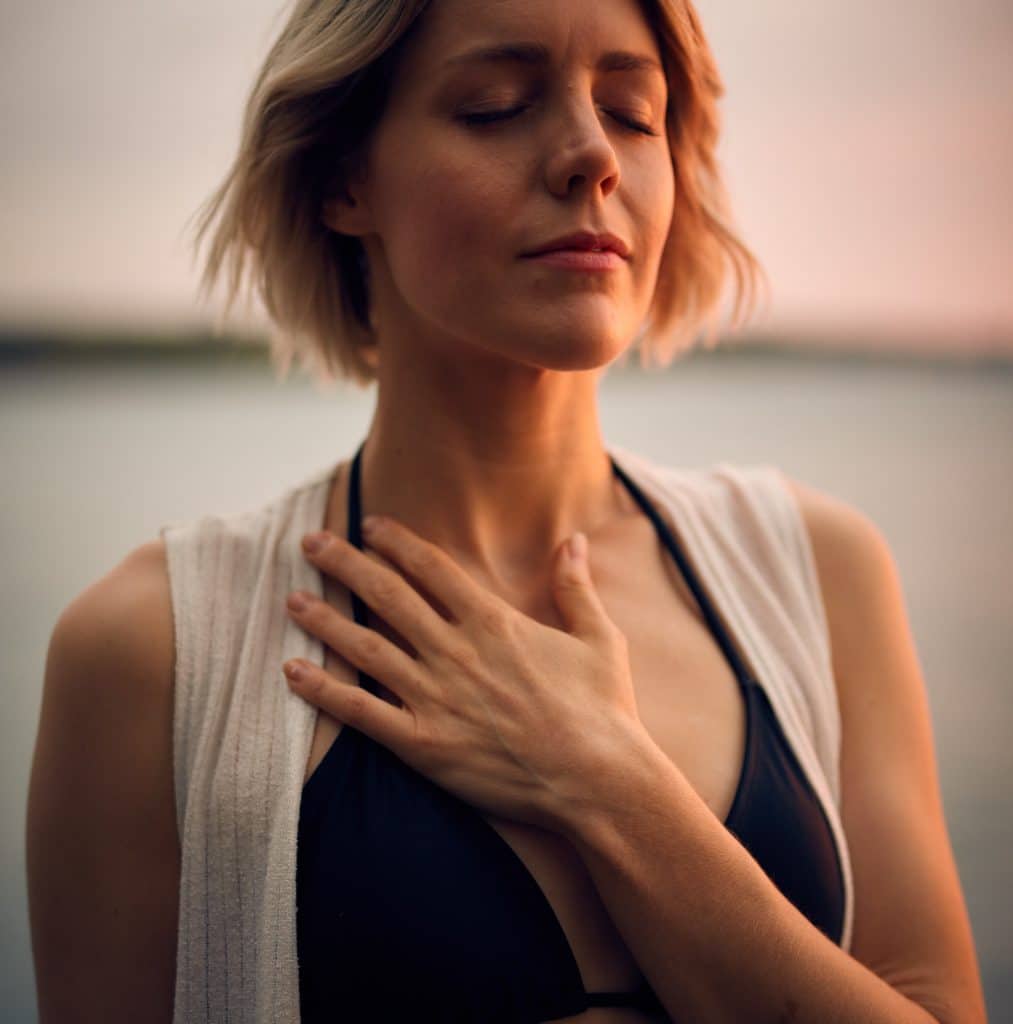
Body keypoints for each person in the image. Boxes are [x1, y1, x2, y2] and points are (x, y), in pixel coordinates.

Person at [26, 0, 988, 1022]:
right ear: (344, 179)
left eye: (629, 111)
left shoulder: (815, 571)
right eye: (494, 106)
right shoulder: (153, 651)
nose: (589, 156)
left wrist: (608, 783)